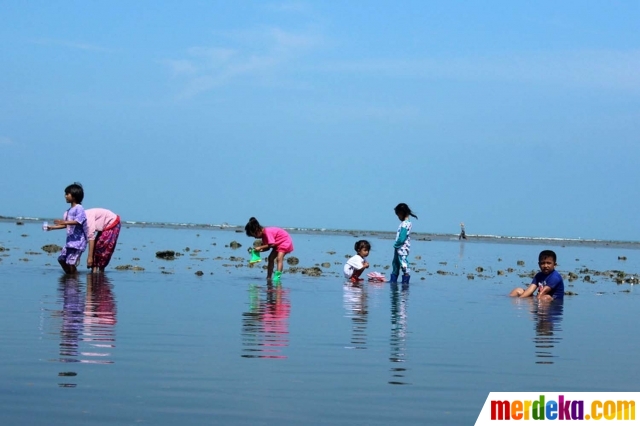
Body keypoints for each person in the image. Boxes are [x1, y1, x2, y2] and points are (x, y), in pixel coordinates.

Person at [46, 183, 87, 274]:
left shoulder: (79, 208)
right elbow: (66, 225)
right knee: (61, 259)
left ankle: (73, 279)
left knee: (71, 262)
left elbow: (78, 221)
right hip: (70, 241)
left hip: (78, 241)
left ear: (74, 196)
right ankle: (70, 276)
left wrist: (64, 222)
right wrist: (52, 227)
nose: (65, 196)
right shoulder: (68, 211)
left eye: (67, 194)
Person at [245, 217, 294, 283]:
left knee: (279, 258)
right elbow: (267, 248)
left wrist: (260, 247)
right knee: (270, 258)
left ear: (257, 230)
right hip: (277, 243)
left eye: (255, 235)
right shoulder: (263, 237)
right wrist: (258, 250)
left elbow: (271, 245)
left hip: (284, 241)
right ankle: (269, 276)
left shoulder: (267, 232)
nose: (255, 238)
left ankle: (277, 276)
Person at [85, 208, 121, 273]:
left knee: (102, 247)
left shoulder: (88, 219)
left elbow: (91, 237)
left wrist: (89, 258)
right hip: (104, 225)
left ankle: (100, 271)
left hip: (113, 223)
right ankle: (94, 271)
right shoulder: (80, 218)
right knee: (96, 246)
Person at [391, 203, 418, 285]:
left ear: (401, 213)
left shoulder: (405, 224)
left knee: (403, 263)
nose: (398, 217)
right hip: (399, 248)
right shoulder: (407, 223)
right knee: (395, 263)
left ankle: (405, 281)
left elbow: (402, 237)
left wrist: (396, 244)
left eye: (398, 215)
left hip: (402, 248)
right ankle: (393, 280)